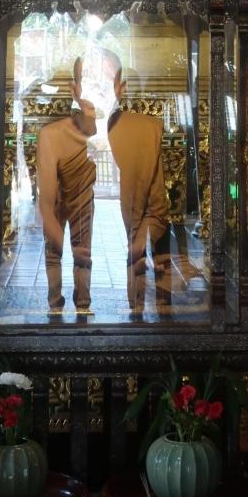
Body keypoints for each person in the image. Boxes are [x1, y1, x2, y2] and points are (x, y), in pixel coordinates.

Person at [106, 62, 170, 314]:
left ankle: (141, 304)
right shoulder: (60, 133)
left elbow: (155, 205)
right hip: (146, 210)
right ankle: (142, 303)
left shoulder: (142, 127)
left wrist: (138, 235)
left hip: (145, 217)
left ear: (121, 88)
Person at [35, 59, 97, 315]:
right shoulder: (55, 133)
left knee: (79, 251)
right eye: (88, 81)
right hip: (62, 197)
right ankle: (59, 302)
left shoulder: (100, 129)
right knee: (59, 250)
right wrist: (49, 216)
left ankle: (78, 303)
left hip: (79, 198)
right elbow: (47, 195)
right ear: (74, 89)